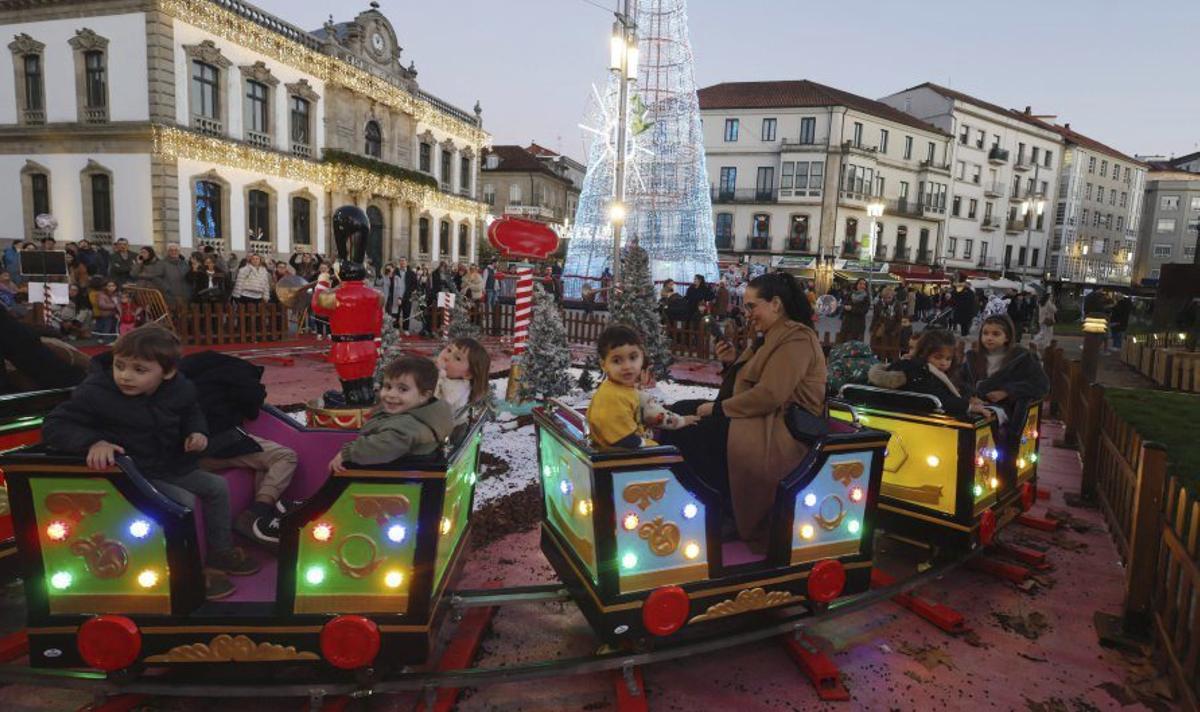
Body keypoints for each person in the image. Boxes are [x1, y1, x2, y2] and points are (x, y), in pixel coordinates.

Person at [41, 326, 257, 600]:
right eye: (120, 366)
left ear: (166, 373)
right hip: (131, 473)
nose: (125, 376)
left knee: (216, 487)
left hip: (168, 465)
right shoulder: (96, 393)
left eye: (139, 370)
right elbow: (56, 424)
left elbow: (191, 411)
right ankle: (188, 571)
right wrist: (94, 443)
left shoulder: (179, 389)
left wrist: (197, 432)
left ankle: (221, 552)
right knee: (182, 502)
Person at [659, 273, 826, 551]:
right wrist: (731, 361)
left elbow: (770, 394)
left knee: (693, 431)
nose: (748, 314)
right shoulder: (772, 336)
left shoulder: (796, 340)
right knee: (680, 411)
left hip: (780, 430)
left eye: (752, 306)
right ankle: (707, 500)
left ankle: (727, 509)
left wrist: (718, 409)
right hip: (762, 419)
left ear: (776, 304)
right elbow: (753, 385)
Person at [186, 351, 298, 549]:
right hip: (215, 443)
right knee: (285, 457)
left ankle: (262, 522)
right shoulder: (240, 374)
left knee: (263, 464)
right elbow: (252, 409)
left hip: (185, 450)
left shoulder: (190, 372)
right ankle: (256, 514)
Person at [329, 356, 453, 472]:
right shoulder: (417, 413)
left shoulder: (407, 428)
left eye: (403, 389)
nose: (391, 394)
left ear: (424, 395)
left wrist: (348, 453)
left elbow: (382, 447)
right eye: (388, 387)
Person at [587, 325, 694, 448]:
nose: (627, 366)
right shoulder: (612, 397)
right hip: (623, 458)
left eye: (633, 358)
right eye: (617, 361)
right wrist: (651, 447)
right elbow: (623, 440)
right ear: (603, 365)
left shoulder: (624, 390)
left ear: (642, 357)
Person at [868, 329, 982, 418]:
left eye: (948, 359)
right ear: (923, 354)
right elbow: (935, 395)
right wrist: (967, 406)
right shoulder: (916, 370)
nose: (943, 363)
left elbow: (953, 388)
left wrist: (969, 396)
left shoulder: (936, 372)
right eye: (938, 358)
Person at [961, 315, 1049, 420]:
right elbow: (962, 381)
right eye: (985, 333)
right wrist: (970, 396)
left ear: (1007, 337)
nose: (989, 338)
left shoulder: (1022, 358)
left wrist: (1007, 392)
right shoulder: (973, 357)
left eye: (996, 334)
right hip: (976, 407)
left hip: (1008, 408)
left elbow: (1041, 384)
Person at [434, 337, 491, 426]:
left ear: (468, 375)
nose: (447, 357)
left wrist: (438, 375)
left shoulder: (457, 389)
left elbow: (434, 404)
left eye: (457, 358)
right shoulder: (443, 376)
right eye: (449, 350)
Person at [870, 286, 904, 358]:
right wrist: (872, 329)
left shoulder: (897, 305)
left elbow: (899, 320)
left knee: (891, 352)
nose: (887, 300)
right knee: (879, 351)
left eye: (889, 297)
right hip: (881, 330)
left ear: (892, 296)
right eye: (884, 298)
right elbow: (875, 317)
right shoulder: (879, 304)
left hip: (893, 332)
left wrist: (895, 331)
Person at [160, 243, 191, 307]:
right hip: (170, 296)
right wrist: (167, 289)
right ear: (168, 252)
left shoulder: (184, 263)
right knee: (172, 315)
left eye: (176, 250)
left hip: (184, 294)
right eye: (171, 250)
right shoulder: (162, 264)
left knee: (184, 314)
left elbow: (189, 277)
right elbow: (157, 279)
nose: (174, 252)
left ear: (179, 251)